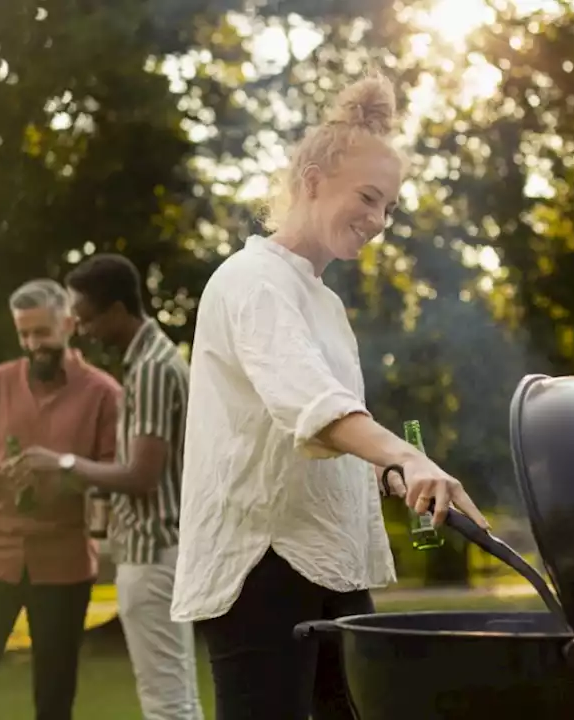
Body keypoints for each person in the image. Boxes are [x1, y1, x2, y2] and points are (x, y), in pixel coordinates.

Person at [168, 73, 491, 720]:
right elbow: (310, 403)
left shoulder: (321, 301)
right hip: (262, 564)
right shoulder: (253, 281)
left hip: (326, 559)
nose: (377, 221)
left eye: (389, 208)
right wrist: (405, 454)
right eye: (367, 198)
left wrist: (390, 471)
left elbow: (322, 431)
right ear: (312, 180)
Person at [17, 253, 203, 720]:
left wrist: (62, 462)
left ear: (118, 310)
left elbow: (141, 475)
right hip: (150, 551)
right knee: (175, 697)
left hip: (153, 553)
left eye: (86, 318)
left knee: (167, 702)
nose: (82, 330)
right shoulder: (146, 362)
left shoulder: (154, 369)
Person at [0, 279, 122, 720]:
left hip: (62, 563)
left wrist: (61, 469)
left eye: (41, 333)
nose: (31, 344)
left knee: (54, 700)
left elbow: (113, 478)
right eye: (23, 334)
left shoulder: (103, 394)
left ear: (68, 324)